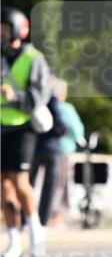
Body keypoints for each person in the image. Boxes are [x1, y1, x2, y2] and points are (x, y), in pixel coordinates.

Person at [1, 6, 51, 257]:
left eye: (4, 28)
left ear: (18, 28)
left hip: (24, 127)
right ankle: (12, 241)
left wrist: (15, 97)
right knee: (4, 186)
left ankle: (35, 231)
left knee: (20, 181)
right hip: (2, 128)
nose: (0, 32)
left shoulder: (33, 58)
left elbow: (41, 95)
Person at [28, 82, 67, 226]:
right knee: (49, 187)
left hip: (33, 147)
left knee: (28, 184)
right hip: (51, 148)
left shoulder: (32, 96)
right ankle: (42, 220)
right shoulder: (51, 98)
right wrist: (62, 130)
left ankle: (26, 217)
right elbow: (58, 122)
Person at [49, 79, 85, 227]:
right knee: (60, 184)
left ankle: (50, 215)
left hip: (44, 149)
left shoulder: (45, 106)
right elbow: (77, 129)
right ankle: (57, 217)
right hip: (63, 149)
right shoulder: (66, 108)